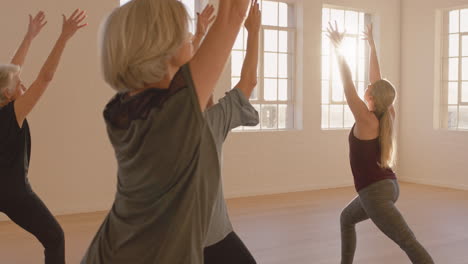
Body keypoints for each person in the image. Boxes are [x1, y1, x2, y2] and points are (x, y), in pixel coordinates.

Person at [81, 0, 251, 263]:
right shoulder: (174, 112)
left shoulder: (121, 108)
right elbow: (234, 13)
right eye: (184, 31)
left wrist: (201, 35)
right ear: (162, 45)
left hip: (111, 250)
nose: (190, 37)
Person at [327, 22, 434, 264]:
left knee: (408, 241)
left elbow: (348, 88)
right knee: (347, 218)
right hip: (389, 186)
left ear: (373, 97)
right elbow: (377, 79)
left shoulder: (366, 120)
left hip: (375, 193)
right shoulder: (387, 114)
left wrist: (338, 49)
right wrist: (372, 45)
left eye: (370, 88)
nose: (368, 85)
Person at [0, 10, 88, 264]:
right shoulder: (12, 114)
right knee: (55, 237)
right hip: (14, 193)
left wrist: (29, 37)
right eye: (18, 85)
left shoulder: (4, 104)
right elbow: (45, 77)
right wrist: (63, 38)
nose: (23, 84)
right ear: (7, 95)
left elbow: (11, 72)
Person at [202, 2, 260, 264]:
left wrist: (200, 36)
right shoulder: (210, 123)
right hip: (210, 237)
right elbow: (249, 80)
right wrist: (254, 31)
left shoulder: (154, 118)